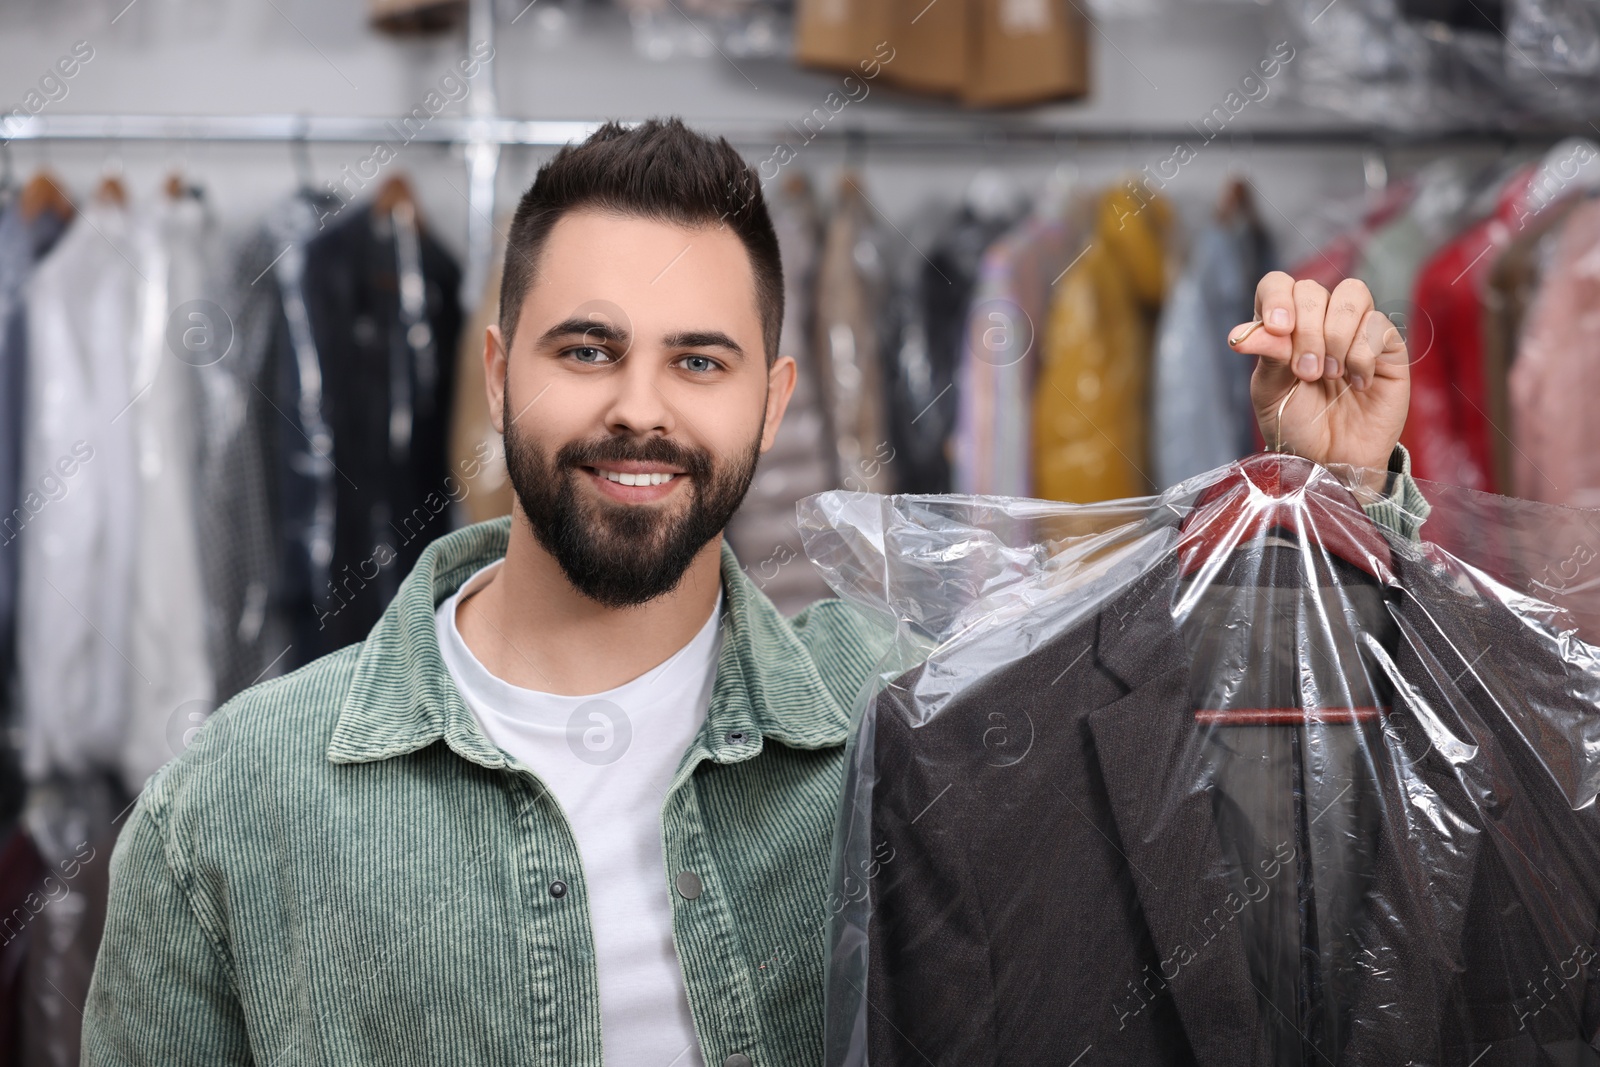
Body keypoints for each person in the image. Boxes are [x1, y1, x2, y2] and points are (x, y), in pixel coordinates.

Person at [80, 118, 1418, 1067]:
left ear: (776, 404)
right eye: (587, 349)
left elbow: (1251, 841)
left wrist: (1333, 504)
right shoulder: (235, 807)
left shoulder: (921, 727)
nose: (640, 410)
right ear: (497, 374)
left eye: (701, 362)